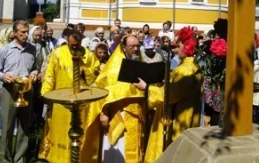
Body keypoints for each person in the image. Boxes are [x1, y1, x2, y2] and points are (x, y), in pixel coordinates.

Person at [135, 27, 203, 162]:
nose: (176, 50)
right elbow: (178, 89)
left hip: (178, 119)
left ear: (188, 46)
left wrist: (146, 87)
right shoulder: (191, 66)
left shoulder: (185, 71)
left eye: (178, 46)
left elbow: (168, 96)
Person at [82, 35, 146, 163]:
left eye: (137, 46)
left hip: (137, 116)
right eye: (131, 46)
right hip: (118, 116)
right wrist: (104, 112)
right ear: (123, 47)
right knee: (116, 153)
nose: (135, 49)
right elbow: (102, 89)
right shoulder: (114, 66)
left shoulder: (142, 64)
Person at [38, 30, 100, 162]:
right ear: (67, 40)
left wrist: (86, 71)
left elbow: (97, 72)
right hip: (61, 102)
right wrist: (46, 93)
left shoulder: (88, 55)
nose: (74, 46)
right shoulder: (58, 53)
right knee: (60, 131)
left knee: (79, 130)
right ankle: (58, 158)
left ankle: (79, 157)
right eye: (72, 44)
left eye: (77, 44)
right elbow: (50, 74)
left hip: (81, 102)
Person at [0, 20, 37, 163]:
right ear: (15, 33)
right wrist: (4, 76)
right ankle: (6, 158)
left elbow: (35, 67)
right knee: (7, 125)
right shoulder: (4, 49)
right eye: (22, 32)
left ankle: (20, 158)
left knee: (25, 125)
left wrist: (34, 73)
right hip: (9, 90)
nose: (26, 34)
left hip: (26, 90)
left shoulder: (32, 48)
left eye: (27, 31)